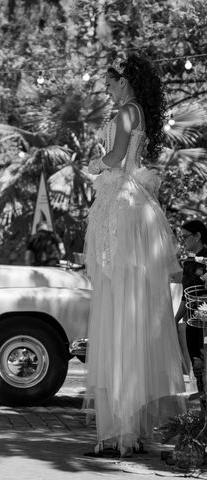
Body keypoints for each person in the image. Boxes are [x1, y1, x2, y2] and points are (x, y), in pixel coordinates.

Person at [84, 54, 185, 457]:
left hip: (122, 207)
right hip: (132, 204)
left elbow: (115, 158)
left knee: (116, 312)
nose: (106, 86)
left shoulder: (126, 112)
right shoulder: (136, 110)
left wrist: (94, 164)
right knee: (131, 310)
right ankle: (133, 428)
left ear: (123, 80)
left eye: (110, 80)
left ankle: (118, 430)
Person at [174, 220, 207, 394]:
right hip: (192, 322)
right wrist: (176, 319)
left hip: (205, 323)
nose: (184, 241)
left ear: (198, 236)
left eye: (186, 237)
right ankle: (204, 415)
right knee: (197, 366)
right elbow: (185, 296)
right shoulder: (188, 263)